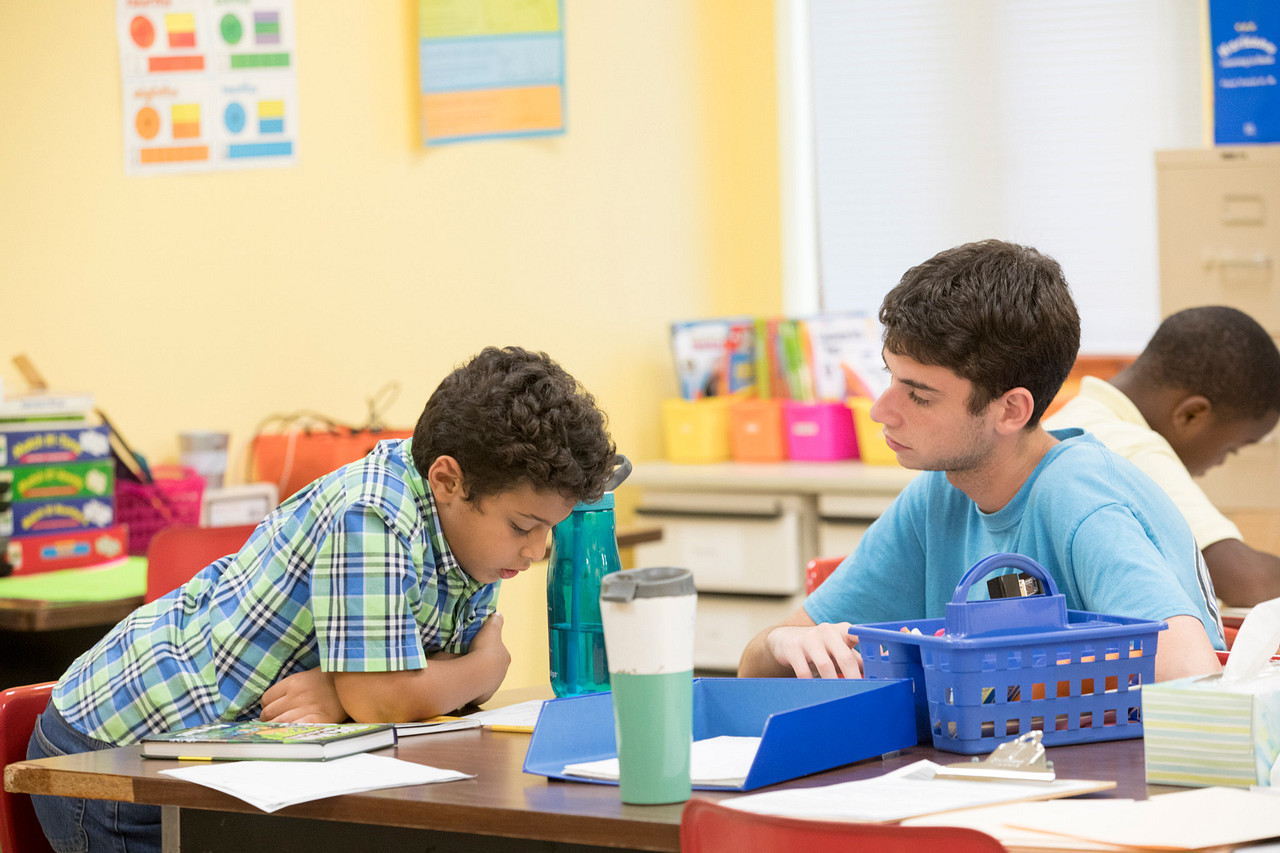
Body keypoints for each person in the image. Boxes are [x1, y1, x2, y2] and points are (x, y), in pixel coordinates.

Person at [27, 346, 616, 853]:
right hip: (114, 764)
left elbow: (401, 694)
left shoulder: (474, 536)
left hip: (232, 762)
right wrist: (483, 665)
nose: (537, 550)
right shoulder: (373, 513)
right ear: (447, 480)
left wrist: (354, 691)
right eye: (522, 527)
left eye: (549, 529)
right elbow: (393, 696)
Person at [738, 240, 1224, 684]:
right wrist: (785, 644)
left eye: (920, 396)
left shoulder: (1079, 498)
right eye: (891, 377)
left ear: (1010, 410)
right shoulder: (940, 494)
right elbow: (754, 670)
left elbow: (1192, 674)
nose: (880, 411)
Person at [1046, 306, 1280, 607]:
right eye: (1231, 448)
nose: (1220, 463)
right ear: (1191, 414)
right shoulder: (1128, 446)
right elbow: (1248, 582)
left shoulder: (1070, 422)